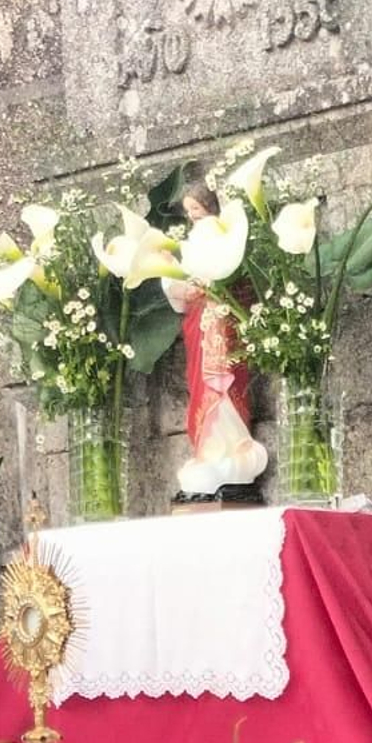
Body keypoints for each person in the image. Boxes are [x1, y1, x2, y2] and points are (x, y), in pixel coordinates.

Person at [164, 180, 268, 502]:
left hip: (222, 324)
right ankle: (208, 453)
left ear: (209, 205)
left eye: (196, 207)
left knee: (224, 383)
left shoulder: (224, 234)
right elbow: (180, 285)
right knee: (200, 386)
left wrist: (208, 286)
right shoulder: (192, 240)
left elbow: (232, 279)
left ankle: (232, 448)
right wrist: (177, 281)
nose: (192, 215)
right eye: (188, 210)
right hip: (199, 325)